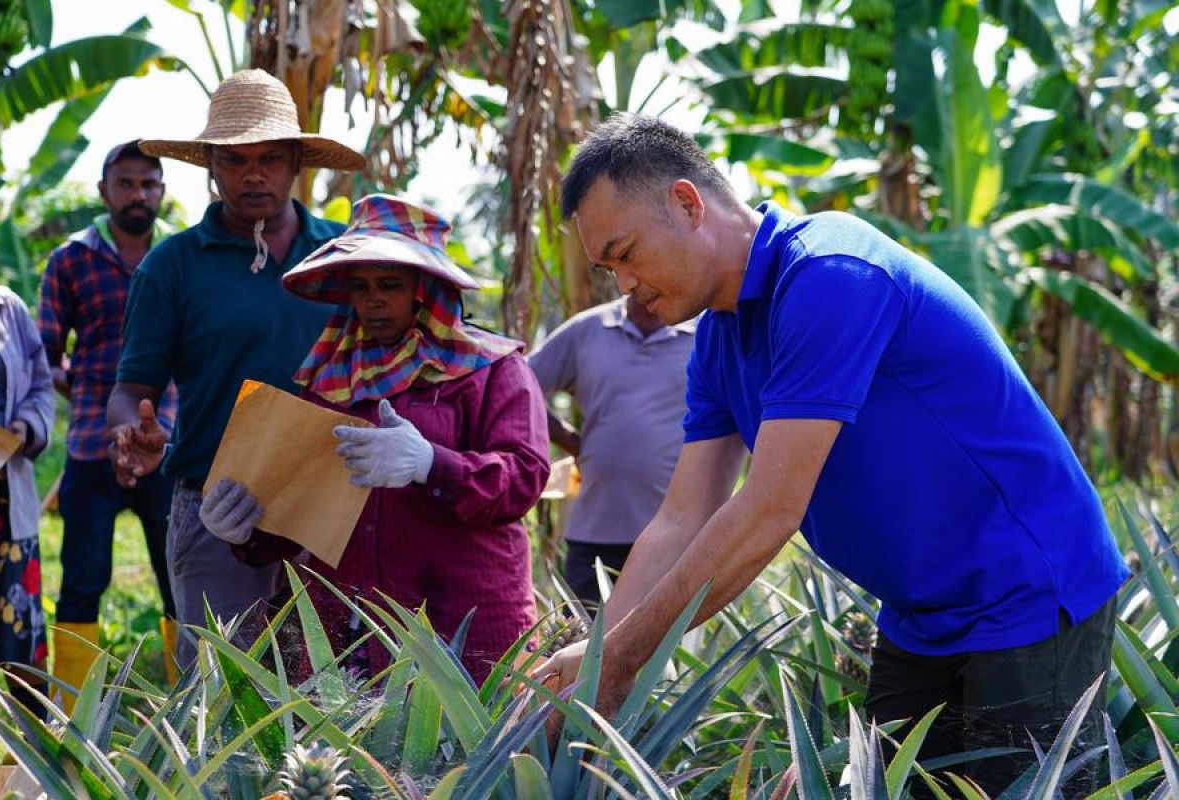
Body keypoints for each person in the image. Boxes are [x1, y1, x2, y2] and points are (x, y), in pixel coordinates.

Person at [532, 114, 1127, 796]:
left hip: (1027, 596)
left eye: (627, 252)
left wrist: (619, 663)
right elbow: (680, 518)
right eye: (609, 268)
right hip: (922, 614)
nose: (624, 285)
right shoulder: (719, 343)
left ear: (687, 204)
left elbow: (767, 511)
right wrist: (604, 650)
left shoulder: (830, 274)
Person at [197, 194, 550, 684]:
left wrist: (432, 464)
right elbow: (303, 501)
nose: (373, 299)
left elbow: (525, 476)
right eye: (360, 287)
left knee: (471, 754)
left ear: (426, 289)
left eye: (389, 284)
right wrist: (246, 531)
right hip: (347, 624)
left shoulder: (493, 370)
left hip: (461, 616)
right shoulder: (330, 379)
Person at [106, 70, 364, 667]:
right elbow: (131, 389)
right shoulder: (171, 266)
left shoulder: (348, 256)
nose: (253, 174)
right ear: (210, 167)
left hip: (330, 504)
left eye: (271, 158)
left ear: (298, 162)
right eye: (235, 159)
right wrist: (130, 430)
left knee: (335, 688)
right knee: (221, 695)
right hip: (218, 504)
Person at [38, 141, 180, 696]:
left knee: (180, 584)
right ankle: (71, 717)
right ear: (104, 191)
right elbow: (47, 351)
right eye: (125, 183)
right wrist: (86, 390)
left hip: (170, 449)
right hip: (92, 449)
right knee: (82, 582)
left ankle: (198, 712)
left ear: (162, 192)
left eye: (148, 184)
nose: (137, 194)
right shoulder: (70, 259)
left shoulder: (181, 258)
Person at [528, 294, 694, 608]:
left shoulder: (703, 333)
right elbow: (520, 386)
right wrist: (572, 441)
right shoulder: (588, 329)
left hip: (673, 537)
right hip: (595, 533)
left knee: (665, 651)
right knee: (586, 645)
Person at [0, 230, 54, 720]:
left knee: (19, 637)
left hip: (3, 495)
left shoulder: (6, 309)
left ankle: (34, 757)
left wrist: (28, 424)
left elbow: (41, 383)